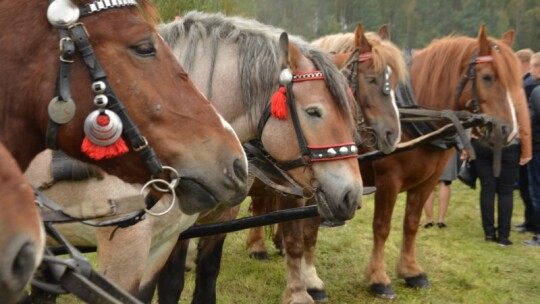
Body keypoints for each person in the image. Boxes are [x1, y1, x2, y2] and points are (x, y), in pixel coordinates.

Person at [515, 49, 535, 233]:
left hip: (530, 142)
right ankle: (529, 221)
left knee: (530, 186)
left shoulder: (527, 85)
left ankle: (533, 223)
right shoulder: (529, 83)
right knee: (526, 186)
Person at [523, 52, 540, 246]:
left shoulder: (536, 92)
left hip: (537, 148)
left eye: (533, 68)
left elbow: (532, 122)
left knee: (536, 192)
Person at [423, 151, 459, 228]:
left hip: (429, 147)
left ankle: (429, 219)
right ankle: (441, 220)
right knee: (445, 182)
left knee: (428, 184)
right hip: (448, 146)